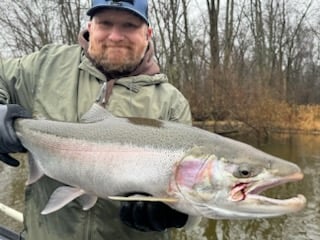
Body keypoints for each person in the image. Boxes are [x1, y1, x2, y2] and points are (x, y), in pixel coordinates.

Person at [0, 0, 192, 239]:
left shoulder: (172, 104)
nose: (115, 36)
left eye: (129, 25)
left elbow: (195, 192)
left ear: (148, 34)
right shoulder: (44, 66)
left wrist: (176, 213)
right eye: (105, 24)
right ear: (90, 26)